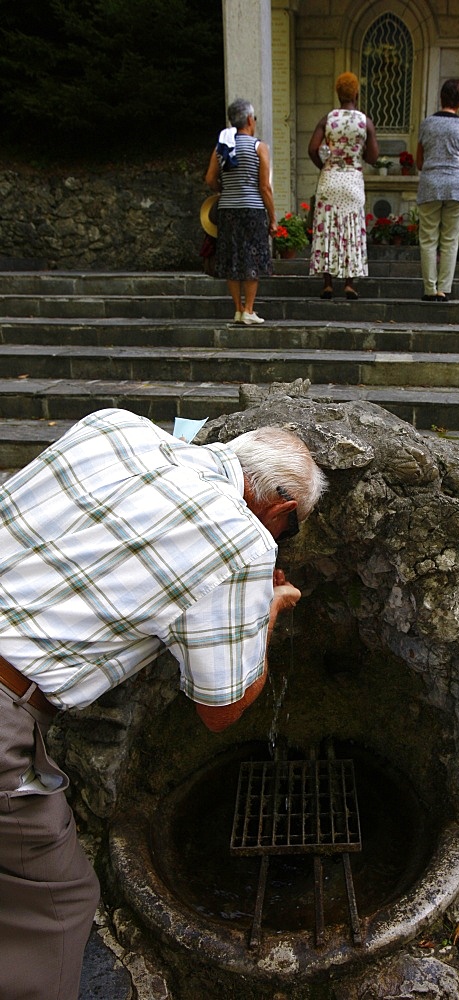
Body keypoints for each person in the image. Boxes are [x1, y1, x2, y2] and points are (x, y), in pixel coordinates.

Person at [0, 407, 326, 1000]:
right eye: (292, 529)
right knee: (59, 901)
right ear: (280, 511)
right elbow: (222, 709)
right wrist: (266, 612)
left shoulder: (113, 427)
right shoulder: (242, 538)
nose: (282, 539)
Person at [205, 97, 277, 325]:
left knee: (232, 257)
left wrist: (224, 189)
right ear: (249, 119)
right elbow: (264, 187)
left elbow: (210, 179)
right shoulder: (259, 147)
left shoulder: (222, 146)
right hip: (252, 210)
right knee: (252, 257)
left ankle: (237, 309)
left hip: (228, 209)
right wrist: (273, 218)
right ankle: (249, 308)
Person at [308, 72, 379, 300]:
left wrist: (324, 166)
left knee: (328, 229)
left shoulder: (328, 119)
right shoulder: (364, 121)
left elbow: (312, 148)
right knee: (350, 230)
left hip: (330, 179)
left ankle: (327, 283)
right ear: (356, 93)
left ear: (338, 94)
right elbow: (373, 157)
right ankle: (349, 283)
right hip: (352, 180)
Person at [415, 78, 459, 302]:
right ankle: (444, 288)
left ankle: (430, 289)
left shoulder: (427, 124)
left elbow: (419, 161)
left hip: (430, 184)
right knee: (450, 240)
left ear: (441, 97)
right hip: (456, 186)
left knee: (428, 239)